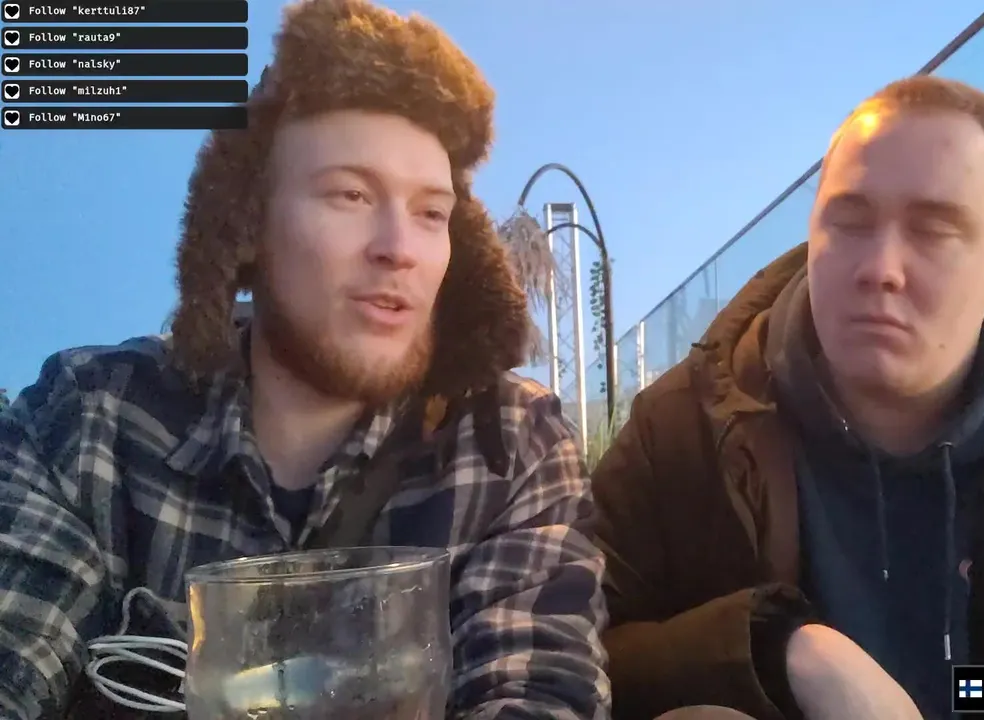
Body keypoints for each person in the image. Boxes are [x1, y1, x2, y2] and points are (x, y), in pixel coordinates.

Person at [0, 1, 608, 718]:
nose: (399, 249)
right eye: (351, 194)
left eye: (431, 213)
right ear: (248, 225)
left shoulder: (511, 449)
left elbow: (538, 692)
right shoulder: (90, 421)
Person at [592, 75, 984, 720]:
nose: (881, 269)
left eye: (934, 230)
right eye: (849, 221)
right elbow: (573, 653)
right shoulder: (684, 428)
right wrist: (773, 651)